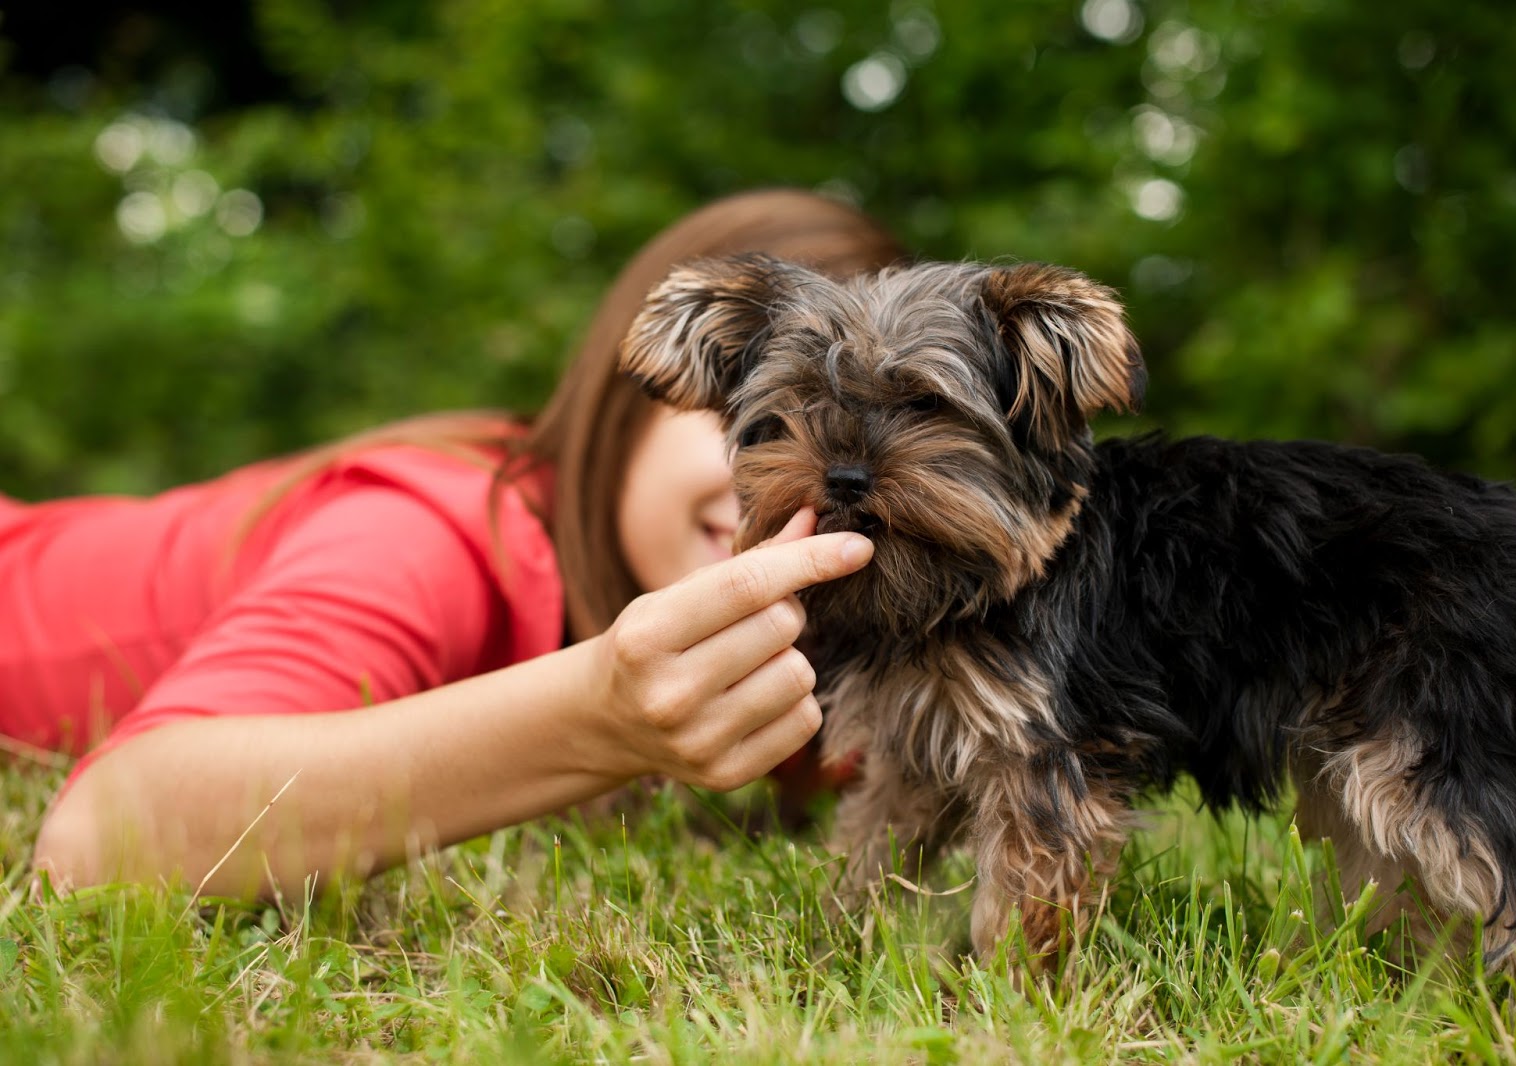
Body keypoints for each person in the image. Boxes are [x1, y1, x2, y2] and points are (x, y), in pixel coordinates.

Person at [2, 189, 906, 898]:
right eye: (763, 416)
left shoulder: (838, 641)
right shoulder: (437, 528)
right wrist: (595, 715)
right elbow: (97, 841)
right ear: (631, 394)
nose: (817, 485)